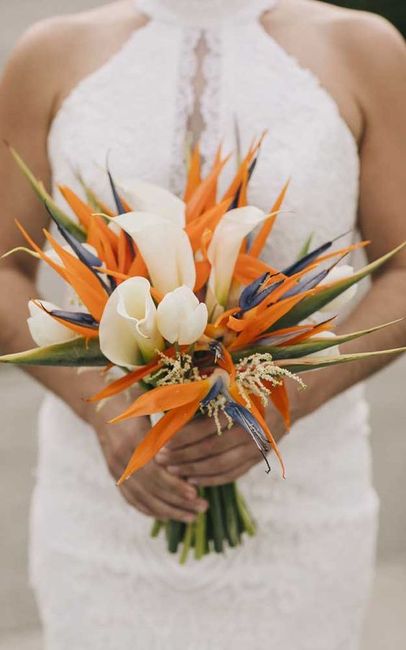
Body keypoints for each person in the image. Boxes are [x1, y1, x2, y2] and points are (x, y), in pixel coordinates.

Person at [0, 0, 405, 648]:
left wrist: (283, 403)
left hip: (302, 500)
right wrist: (100, 411)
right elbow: (3, 270)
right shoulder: (49, 53)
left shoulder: (364, 48)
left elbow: (403, 272)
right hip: (102, 512)